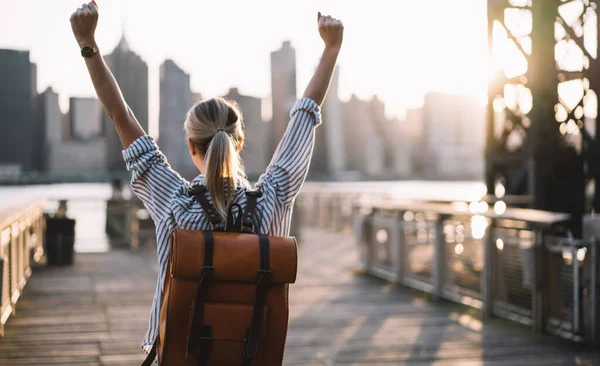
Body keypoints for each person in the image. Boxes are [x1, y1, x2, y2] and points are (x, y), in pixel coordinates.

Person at [70, 1, 344, 360]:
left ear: (190, 146)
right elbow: (305, 115)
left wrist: (87, 42)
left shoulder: (174, 202)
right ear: (239, 143)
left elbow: (120, 113)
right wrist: (332, 48)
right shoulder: (274, 197)